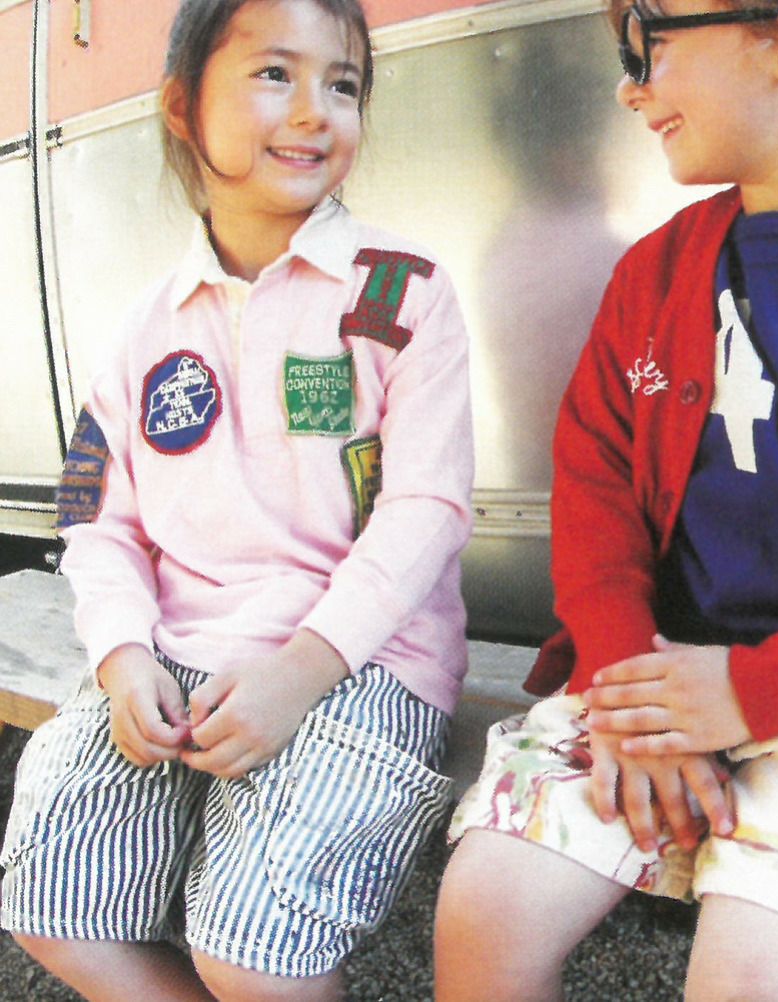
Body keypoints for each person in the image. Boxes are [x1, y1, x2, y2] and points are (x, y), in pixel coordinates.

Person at [435, 1, 778, 999]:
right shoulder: (652, 279)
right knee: (486, 911)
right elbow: (597, 493)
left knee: (754, 972)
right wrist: (627, 683)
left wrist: (756, 691)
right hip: (658, 669)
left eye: (649, 43)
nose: (630, 87)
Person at [1, 1, 473, 999]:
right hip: (174, 658)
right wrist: (123, 658)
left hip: (361, 661)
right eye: (273, 74)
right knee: (48, 904)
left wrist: (300, 672)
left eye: (343, 84)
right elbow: (94, 517)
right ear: (181, 107)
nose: (314, 111)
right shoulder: (145, 326)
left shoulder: (401, 292)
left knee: (248, 953)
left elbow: (427, 509)